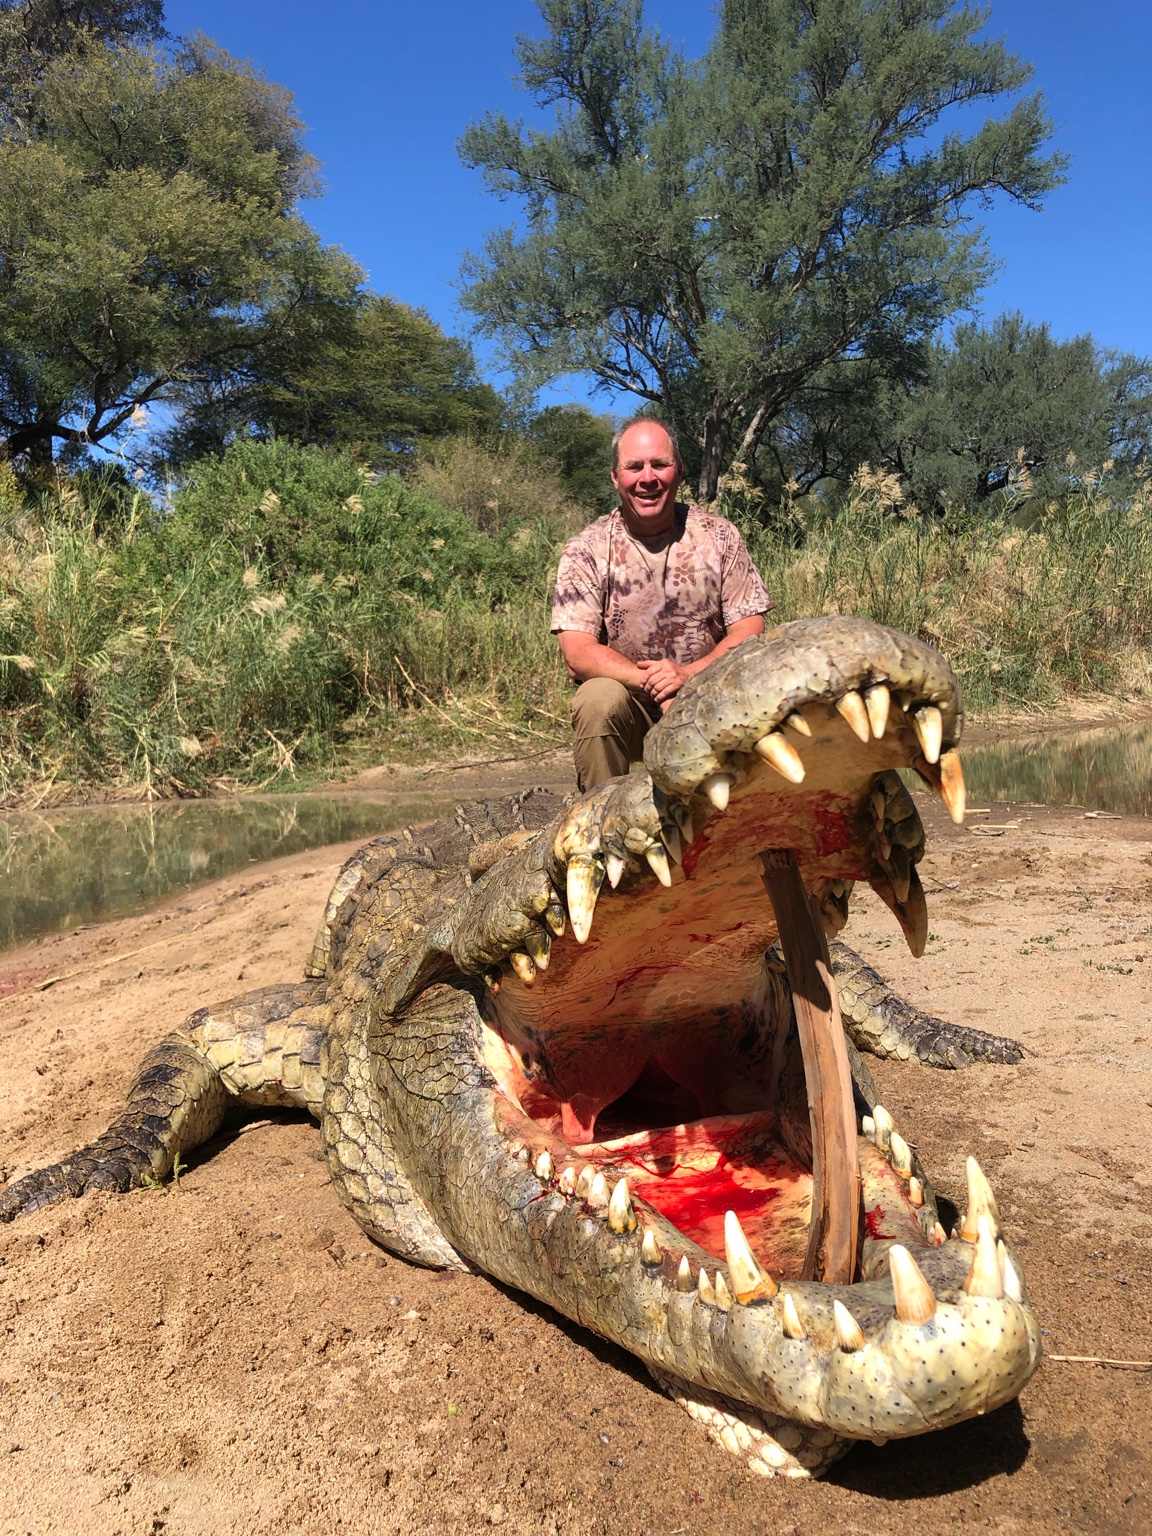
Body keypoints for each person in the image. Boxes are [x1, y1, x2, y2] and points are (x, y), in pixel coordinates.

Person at [551, 416, 773, 791]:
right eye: (634, 467)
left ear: (680, 471)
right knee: (595, 700)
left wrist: (688, 678)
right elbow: (578, 652)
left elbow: (749, 629)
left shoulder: (719, 536)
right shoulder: (585, 549)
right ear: (615, 477)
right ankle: (601, 829)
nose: (647, 478)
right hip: (632, 705)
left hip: (709, 698)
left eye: (660, 464)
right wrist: (655, 683)